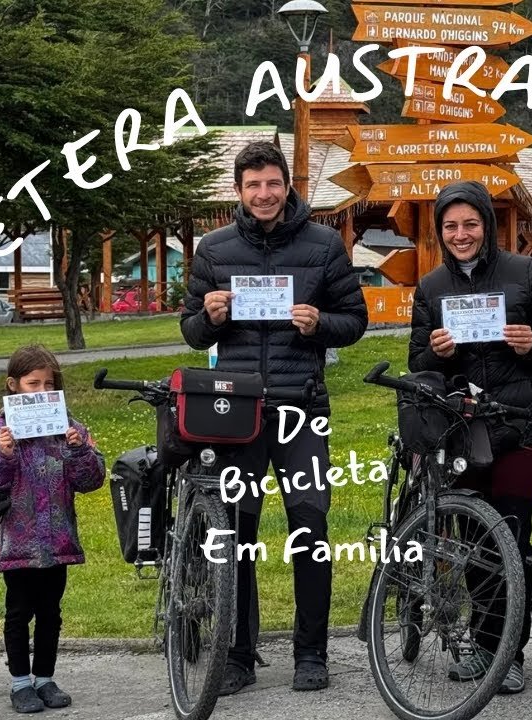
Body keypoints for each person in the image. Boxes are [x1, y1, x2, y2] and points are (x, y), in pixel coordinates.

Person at [179, 140, 369, 694]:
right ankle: (238, 656)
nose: (263, 194)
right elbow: (191, 331)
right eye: (253, 185)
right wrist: (210, 318)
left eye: (272, 183)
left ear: (287, 186)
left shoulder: (324, 244)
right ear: (238, 191)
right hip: (235, 413)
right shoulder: (214, 249)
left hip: (301, 409)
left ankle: (311, 654)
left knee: (311, 529)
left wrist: (319, 324)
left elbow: (355, 320)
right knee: (237, 535)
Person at [408, 179, 532, 695]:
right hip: (464, 431)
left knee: (512, 536)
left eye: (470, 224)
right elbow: (417, 362)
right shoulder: (431, 286)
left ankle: (510, 653)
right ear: (440, 231)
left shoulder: (525, 272)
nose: (461, 234)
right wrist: (436, 352)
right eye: (451, 226)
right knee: (477, 542)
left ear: (488, 225)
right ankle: (486, 642)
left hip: (523, 425)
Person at [0, 344, 106, 714]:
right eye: (33, 383)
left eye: (49, 384)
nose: (42, 391)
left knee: (50, 612)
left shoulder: (70, 429)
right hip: (19, 543)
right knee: (18, 613)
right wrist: (2, 456)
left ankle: (44, 678)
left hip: (58, 541)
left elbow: (92, 481)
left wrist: (80, 451)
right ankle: (20, 683)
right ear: (13, 385)